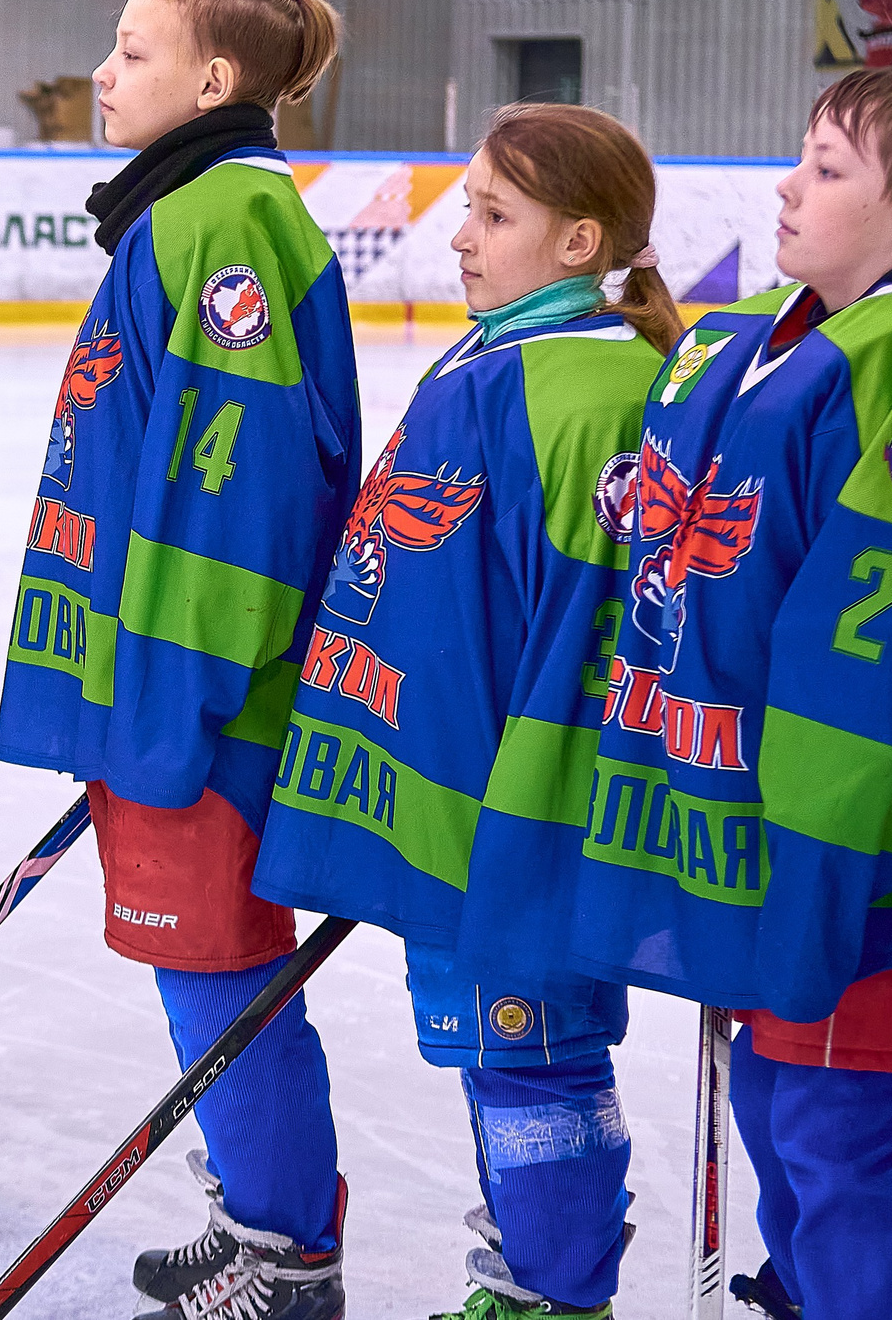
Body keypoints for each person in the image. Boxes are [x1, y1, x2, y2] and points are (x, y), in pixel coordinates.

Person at [566, 67, 892, 1320]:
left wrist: (827, 853)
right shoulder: (788, 331)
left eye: (828, 169)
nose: (787, 185)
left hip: (855, 861)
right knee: (776, 1103)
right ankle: (811, 1296)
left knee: (839, 1126)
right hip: (768, 838)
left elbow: (883, 653)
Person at [250, 104, 683, 1320]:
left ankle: (556, 1294)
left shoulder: (589, 383)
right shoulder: (495, 355)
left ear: (577, 239)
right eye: (466, 206)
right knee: (499, 1048)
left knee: (532, 1051)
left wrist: (528, 812)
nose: (461, 236)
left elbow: (598, 631)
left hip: (514, 806)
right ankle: (536, 1274)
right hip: (453, 789)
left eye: (494, 214)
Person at [0, 0, 359, 1320]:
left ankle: (286, 1254)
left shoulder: (221, 229)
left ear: (213, 77)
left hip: (196, 699)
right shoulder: (190, 212)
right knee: (199, 962)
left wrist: (174, 699)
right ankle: (264, 1217)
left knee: (220, 966)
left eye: (132, 50)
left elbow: (238, 500)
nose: (99, 71)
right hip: (162, 687)